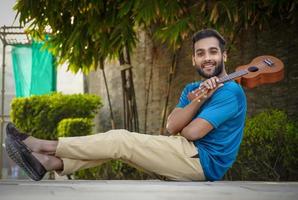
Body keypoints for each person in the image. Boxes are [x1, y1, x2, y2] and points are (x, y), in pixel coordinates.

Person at [5, 28, 246, 182]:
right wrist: (200, 97)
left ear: (224, 56)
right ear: (193, 58)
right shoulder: (191, 89)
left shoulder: (231, 91)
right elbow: (172, 126)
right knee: (116, 147)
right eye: (200, 53)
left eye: (213, 52)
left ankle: (43, 146)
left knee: (120, 139)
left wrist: (203, 98)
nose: (207, 58)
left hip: (201, 162)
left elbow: (192, 132)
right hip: (183, 150)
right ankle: (48, 163)